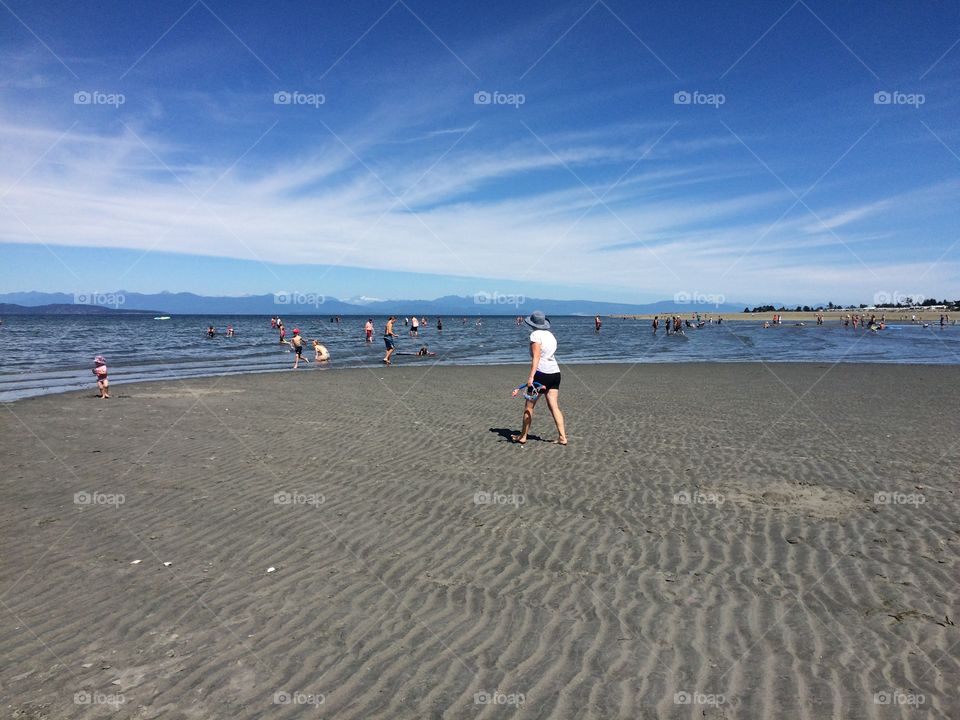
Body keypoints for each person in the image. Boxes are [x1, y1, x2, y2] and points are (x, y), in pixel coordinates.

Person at [511, 311, 567, 446]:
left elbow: (536, 357)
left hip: (541, 374)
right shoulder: (550, 335)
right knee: (554, 406)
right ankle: (562, 437)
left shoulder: (535, 335)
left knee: (529, 407)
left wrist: (531, 377)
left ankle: (523, 436)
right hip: (555, 373)